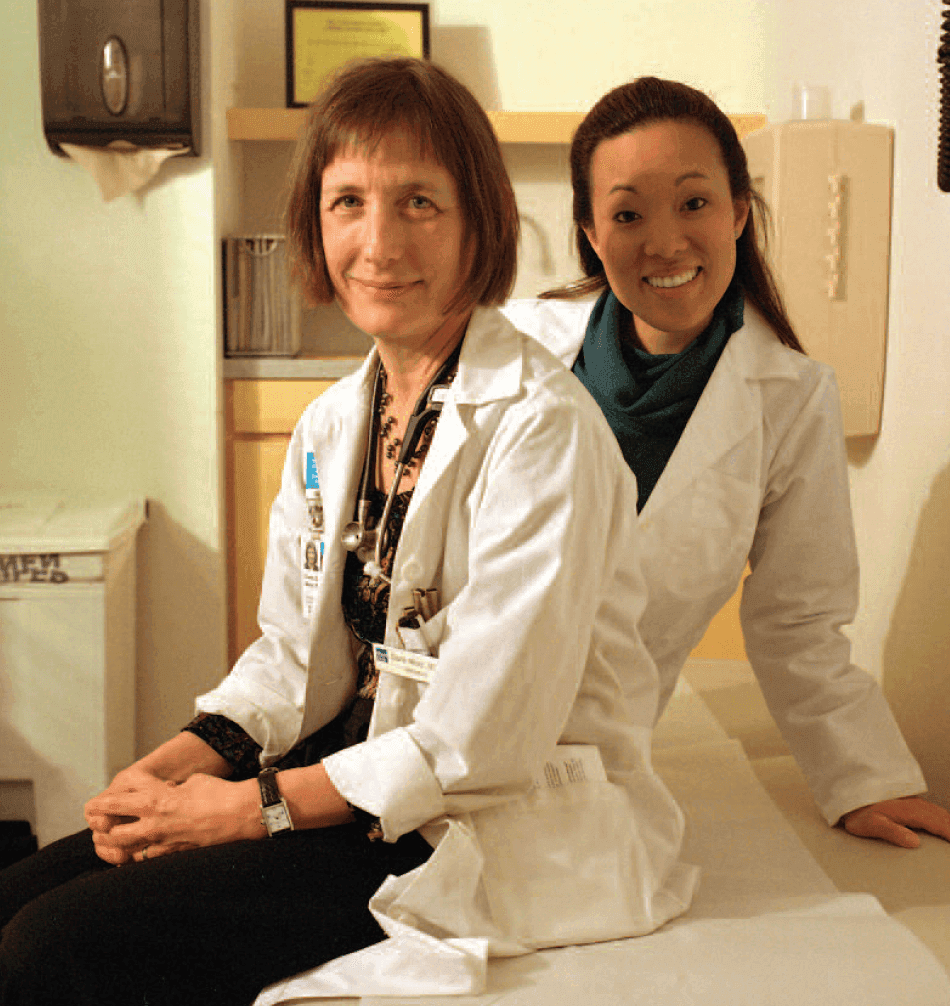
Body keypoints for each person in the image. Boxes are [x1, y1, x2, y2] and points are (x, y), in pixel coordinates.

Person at [0, 61, 697, 1006]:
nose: (378, 242)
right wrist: (177, 763)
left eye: (418, 201)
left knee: (50, 947)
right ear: (314, 224)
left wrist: (246, 810)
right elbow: (294, 657)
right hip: (347, 776)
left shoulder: (544, 429)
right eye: (348, 202)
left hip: (466, 821)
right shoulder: (335, 423)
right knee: (15, 896)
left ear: (478, 221)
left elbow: (480, 740)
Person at [502, 76, 950, 850]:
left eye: (694, 203)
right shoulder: (514, 354)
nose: (666, 241)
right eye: (628, 213)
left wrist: (866, 780)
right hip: (444, 725)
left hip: (599, 762)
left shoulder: (792, 397)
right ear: (591, 232)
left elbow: (798, 619)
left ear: (740, 210)